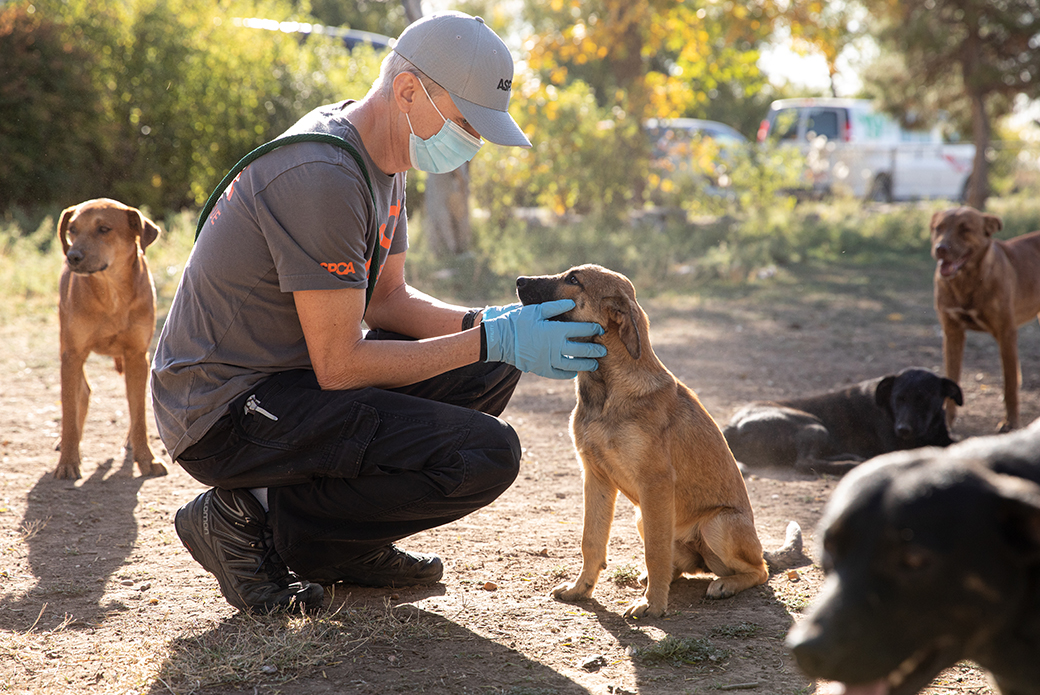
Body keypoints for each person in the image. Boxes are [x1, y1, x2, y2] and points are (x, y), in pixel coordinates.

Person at [151, 11, 606, 613]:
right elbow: (340, 364)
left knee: (491, 366)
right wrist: (492, 338)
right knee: (486, 453)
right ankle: (244, 512)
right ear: (409, 91)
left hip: (290, 383)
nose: (470, 144)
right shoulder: (324, 175)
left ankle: (337, 543)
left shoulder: (384, 162)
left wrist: (492, 325)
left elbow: (389, 299)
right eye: (466, 123)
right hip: (222, 409)